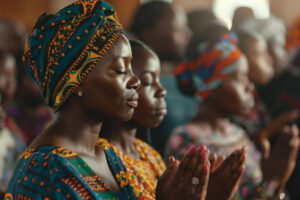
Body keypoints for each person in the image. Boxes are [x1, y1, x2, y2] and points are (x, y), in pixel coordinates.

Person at [5, 1, 142, 199]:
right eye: (121, 70)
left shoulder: (107, 154)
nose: (136, 81)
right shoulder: (45, 169)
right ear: (75, 82)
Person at [166, 31, 299, 199]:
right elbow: (189, 190)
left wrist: (274, 180)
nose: (250, 87)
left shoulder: (237, 132)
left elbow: (262, 192)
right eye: (240, 78)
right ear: (213, 86)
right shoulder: (185, 140)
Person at [107, 40, 246, 200]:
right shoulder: (107, 159)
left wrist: (203, 187)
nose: (162, 91)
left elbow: (181, 189)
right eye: (148, 82)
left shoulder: (148, 153)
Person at [130, 1, 197, 155]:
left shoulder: (185, 77)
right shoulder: (133, 82)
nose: (188, 34)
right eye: (177, 29)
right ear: (148, 32)